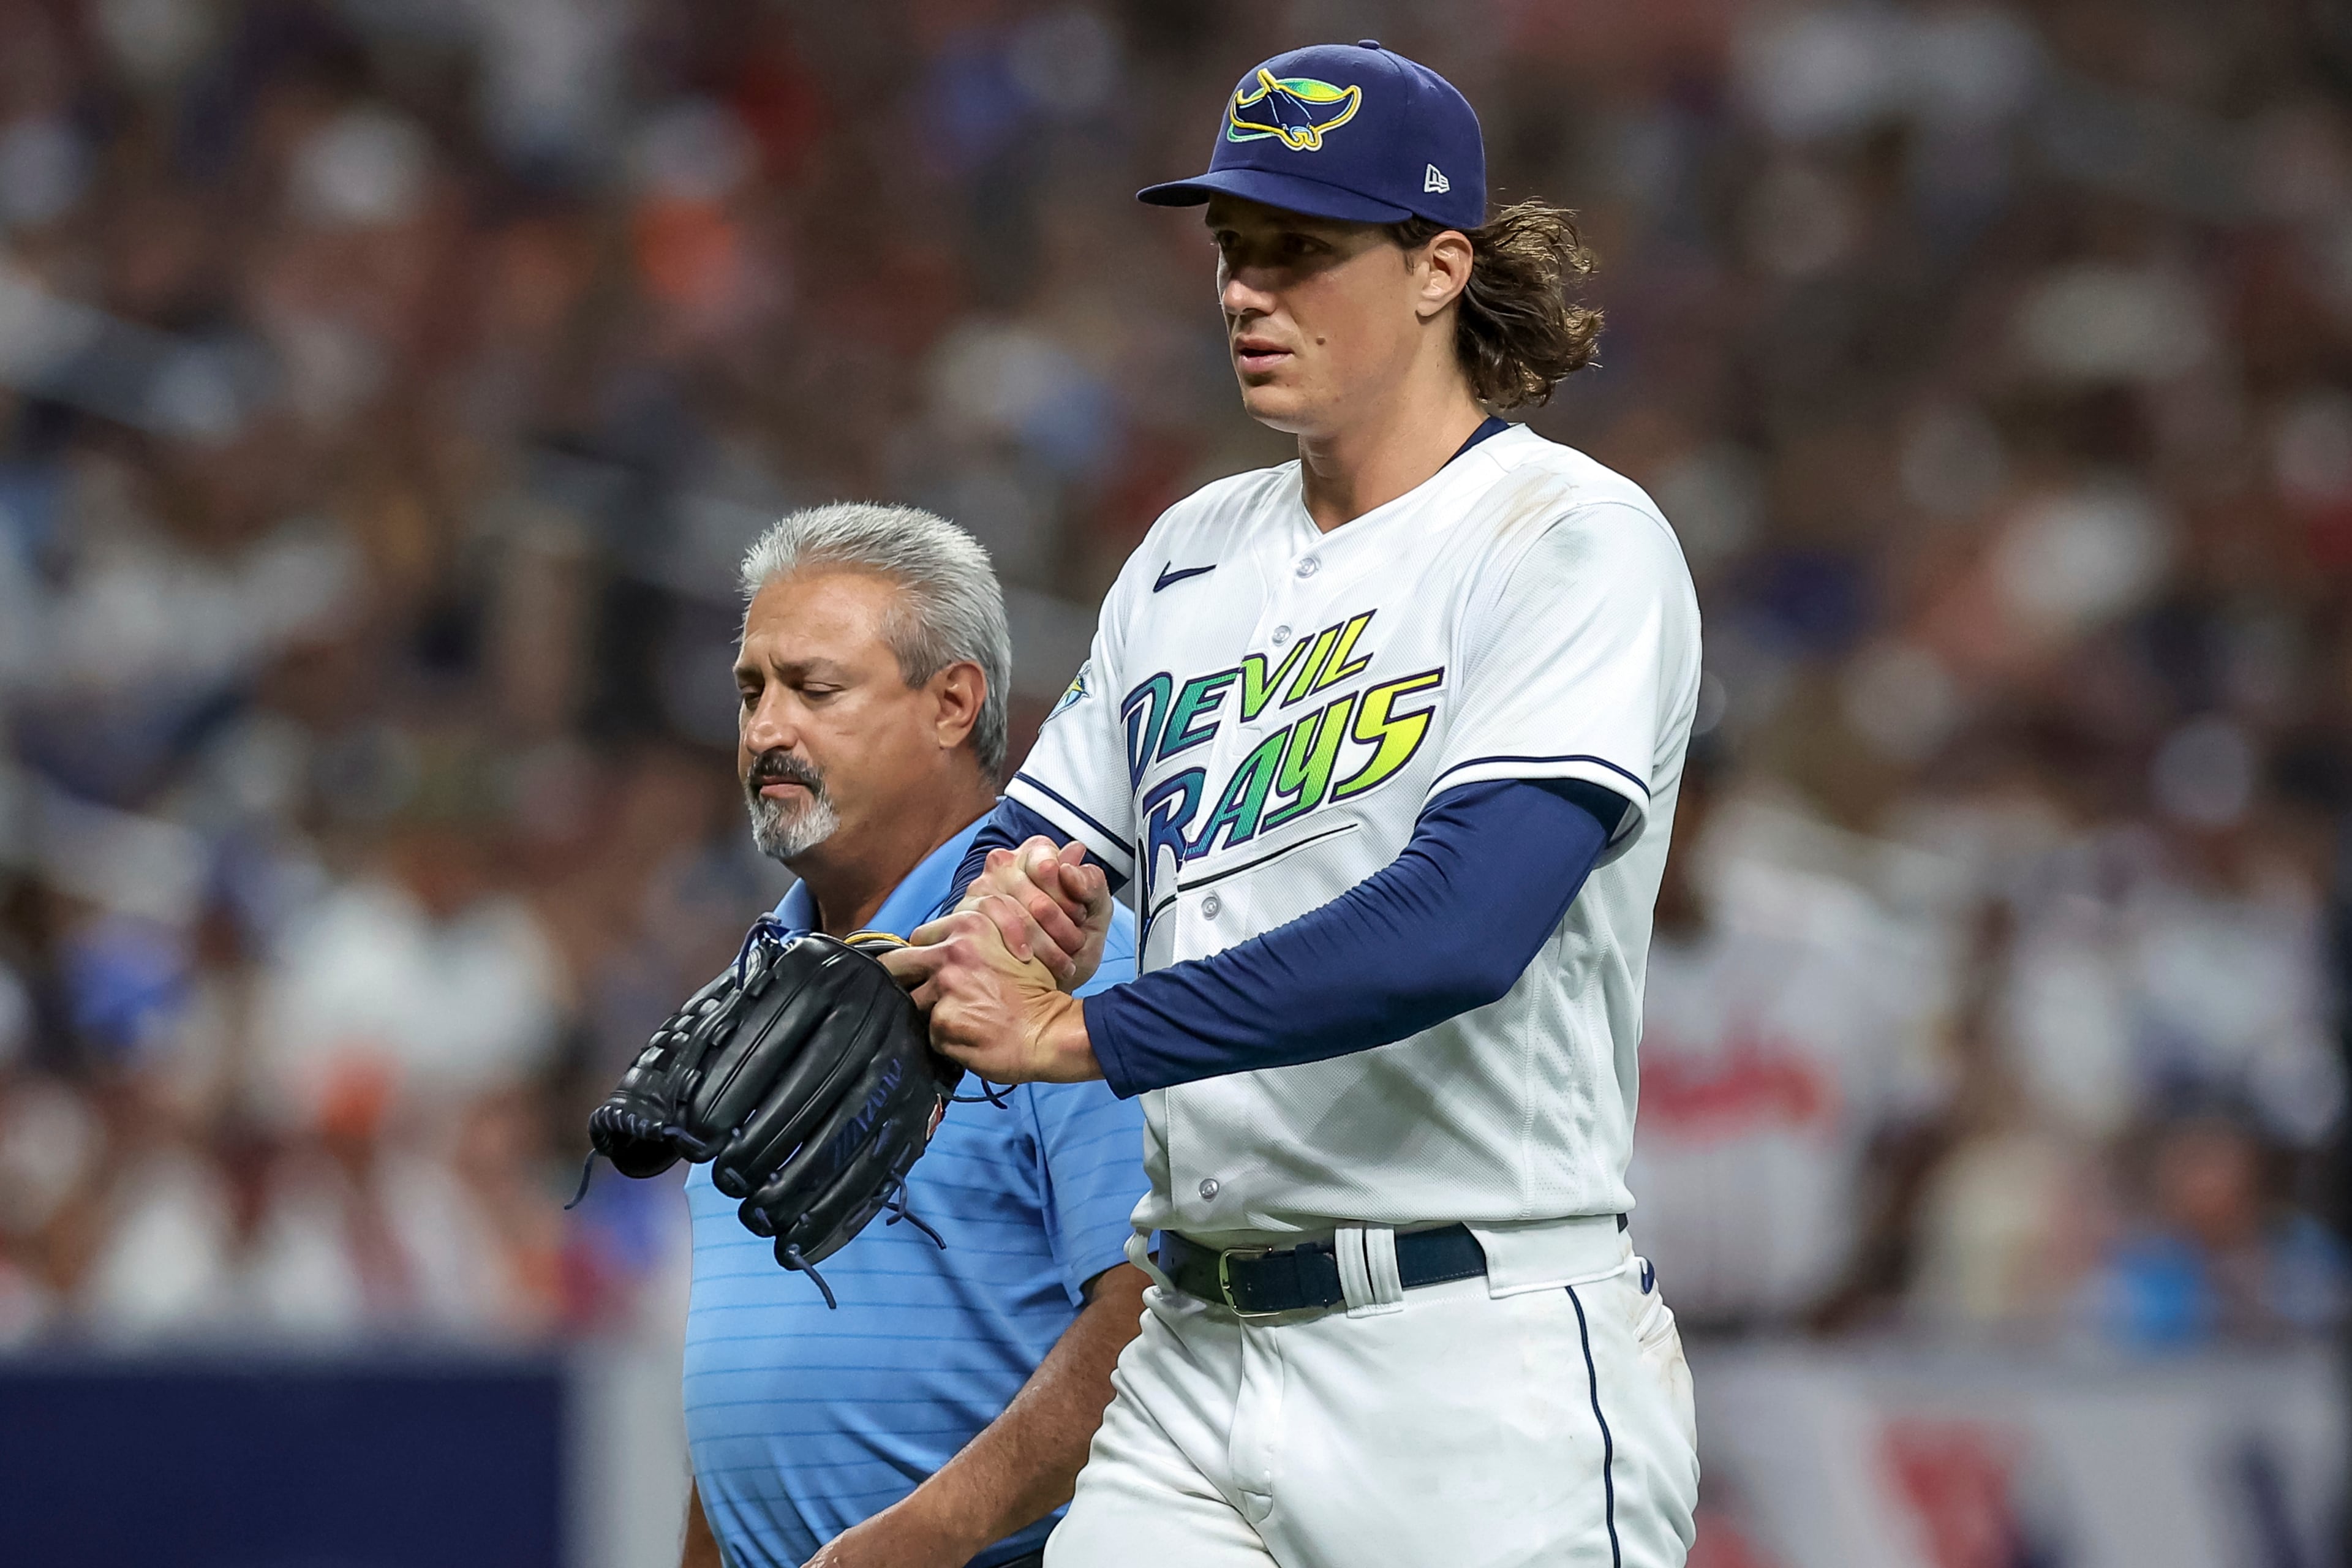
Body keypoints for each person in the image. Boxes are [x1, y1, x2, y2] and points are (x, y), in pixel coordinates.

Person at [883, 42, 1703, 1568]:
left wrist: (1088, 1030)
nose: (1249, 291)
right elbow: (1032, 838)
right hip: (1192, 1354)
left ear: (1437, 268)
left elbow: (1465, 923)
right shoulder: (1194, 549)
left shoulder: (1569, 537)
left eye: (1304, 251)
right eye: (1233, 250)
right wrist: (1009, 909)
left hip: (1476, 1354)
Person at [681, 503, 1150, 1568]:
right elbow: (749, 1373)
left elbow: (1151, 1314)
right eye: (752, 691)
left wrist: (932, 1537)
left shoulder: (1059, 962)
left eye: (815, 689)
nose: (764, 731)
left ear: (952, 704)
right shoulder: (744, 999)